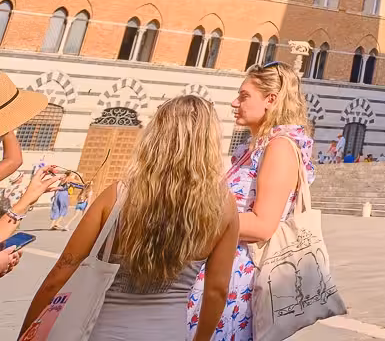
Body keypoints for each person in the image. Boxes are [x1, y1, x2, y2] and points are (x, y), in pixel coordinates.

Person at [22, 96, 238, 341]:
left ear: (155, 136)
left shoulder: (117, 196)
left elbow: (60, 275)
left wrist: (26, 333)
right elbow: (217, 291)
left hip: (102, 332)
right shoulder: (224, 205)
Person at [189, 61, 316, 341]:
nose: (236, 102)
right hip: (222, 266)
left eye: (245, 96)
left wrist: (192, 215)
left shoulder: (279, 147)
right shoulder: (257, 146)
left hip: (239, 279)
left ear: (271, 100)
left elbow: (262, 225)